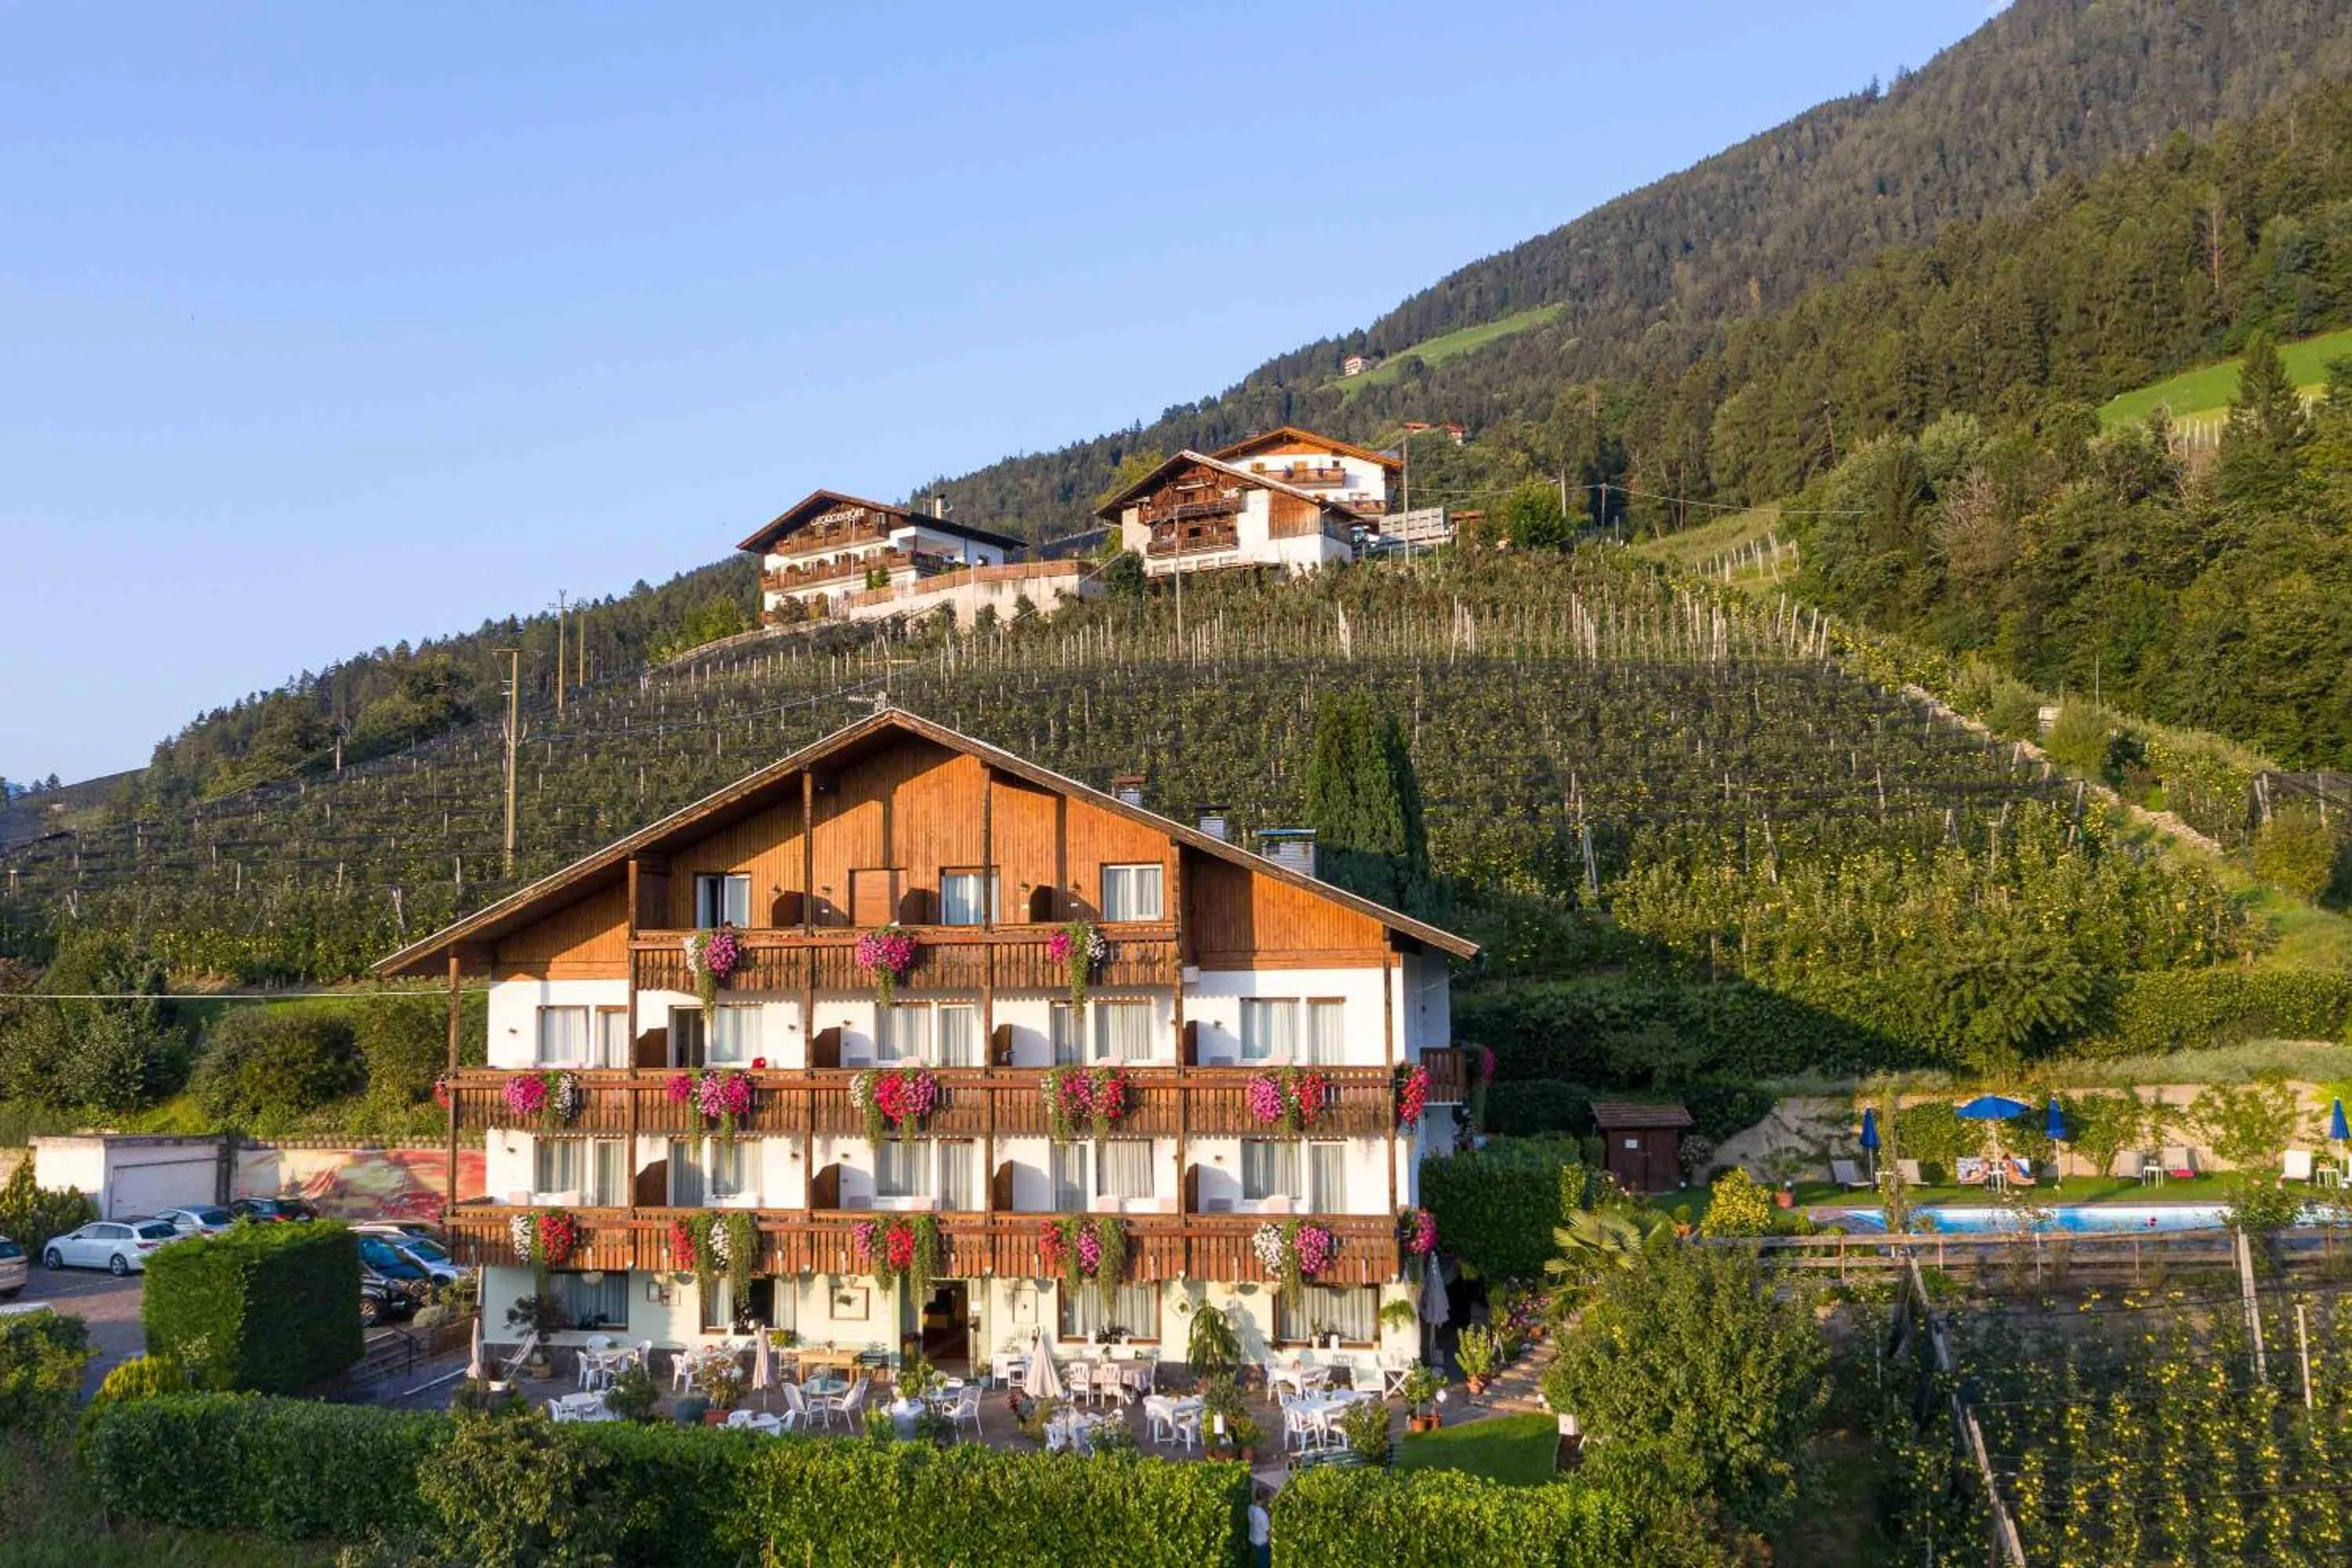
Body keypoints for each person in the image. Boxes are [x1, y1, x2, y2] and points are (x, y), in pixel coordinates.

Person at [1248, 1485, 1272, 1568]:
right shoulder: (1263, 1515)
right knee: (1263, 1564)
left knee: (1256, 1560)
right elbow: (1268, 1532)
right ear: (1264, 1499)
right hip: (1261, 1543)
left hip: (1252, 1538)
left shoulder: (1250, 1508)